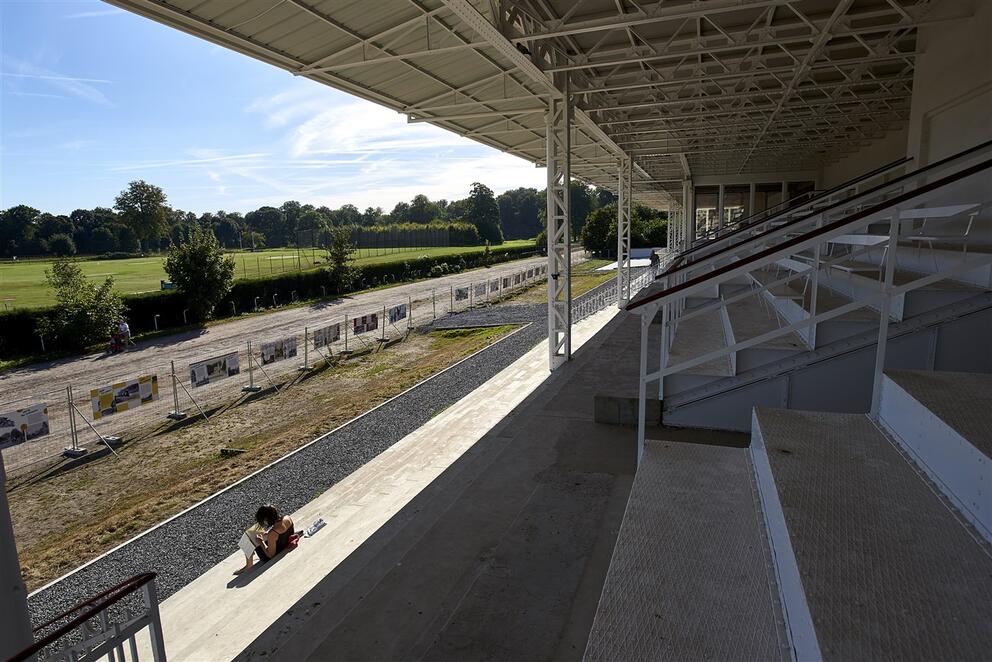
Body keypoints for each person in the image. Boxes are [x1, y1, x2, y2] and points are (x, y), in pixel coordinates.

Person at [234, 504, 295, 575]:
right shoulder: (287, 518)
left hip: (269, 555)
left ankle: (248, 565)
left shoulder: (273, 533)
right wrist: (267, 535)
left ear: (267, 519)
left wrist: (261, 542)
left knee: (247, 538)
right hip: (282, 543)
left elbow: (271, 555)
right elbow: (282, 532)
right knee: (254, 530)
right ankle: (249, 562)